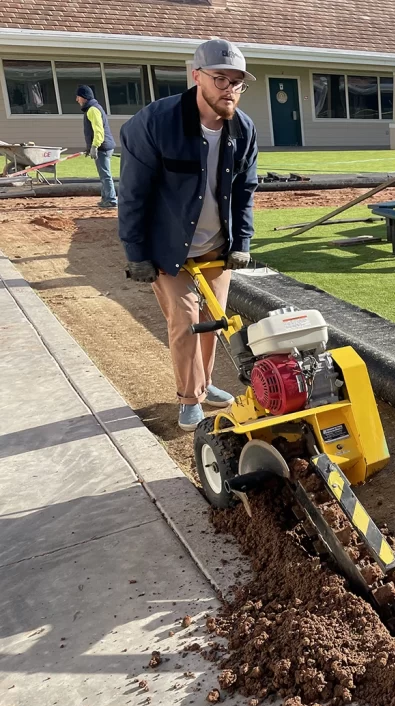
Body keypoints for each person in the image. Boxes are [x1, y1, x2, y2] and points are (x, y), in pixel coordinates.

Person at [118, 39, 258, 432]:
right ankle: (188, 398)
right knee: (185, 320)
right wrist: (136, 253)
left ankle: (206, 384)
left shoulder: (243, 130)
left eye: (237, 82)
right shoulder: (154, 124)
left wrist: (241, 242)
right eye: (220, 79)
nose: (229, 89)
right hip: (168, 248)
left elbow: (245, 190)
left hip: (216, 245)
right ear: (196, 77)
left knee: (214, 322)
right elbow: (133, 194)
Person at [75, 85, 117, 208]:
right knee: (103, 174)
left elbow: (98, 131)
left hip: (102, 147)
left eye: (78, 97)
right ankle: (106, 198)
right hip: (103, 146)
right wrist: (90, 147)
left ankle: (111, 199)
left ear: (84, 97)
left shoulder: (93, 110)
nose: (77, 100)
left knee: (105, 175)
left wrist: (95, 146)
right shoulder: (93, 108)